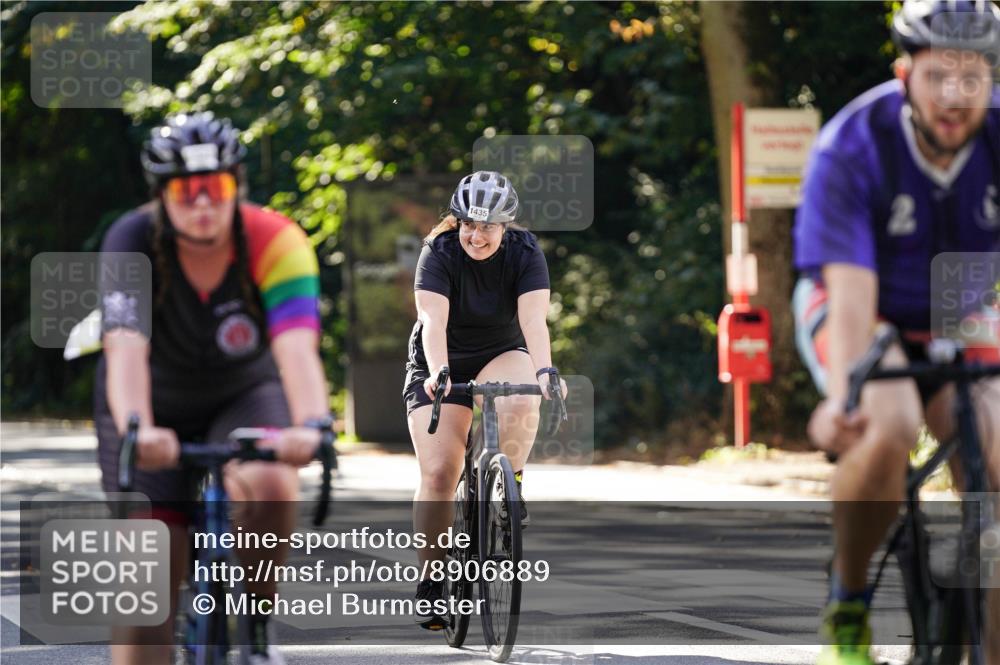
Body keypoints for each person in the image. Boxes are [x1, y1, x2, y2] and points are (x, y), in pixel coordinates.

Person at [791, 2, 1000, 664]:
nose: (954, 97)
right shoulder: (852, 144)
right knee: (887, 423)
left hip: (954, 308)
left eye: (973, 79)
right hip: (860, 302)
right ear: (904, 70)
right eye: (939, 75)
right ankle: (848, 595)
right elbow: (853, 297)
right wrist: (843, 398)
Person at [95, 112, 330, 665]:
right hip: (152, 398)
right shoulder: (130, 240)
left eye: (216, 188)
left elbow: (296, 349)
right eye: (186, 191)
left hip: (243, 391)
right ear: (161, 196)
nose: (203, 204)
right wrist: (140, 429)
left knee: (273, 482)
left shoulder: (277, 240)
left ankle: (255, 624)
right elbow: (125, 347)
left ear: (237, 187)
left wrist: (313, 426)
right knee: (146, 587)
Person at [402, 170, 565, 630]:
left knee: (520, 397)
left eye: (487, 226)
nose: (476, 235)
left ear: (506, 225)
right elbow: (431, 320)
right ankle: (432, 581)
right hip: (440, 359)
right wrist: (438, 370)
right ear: (457, 222)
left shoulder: (525, 251)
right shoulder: (439, 251)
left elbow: (534, 320)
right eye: (468, 224)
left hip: (499, 351)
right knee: (438, 472)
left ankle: (507, 484)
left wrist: (545, 369)